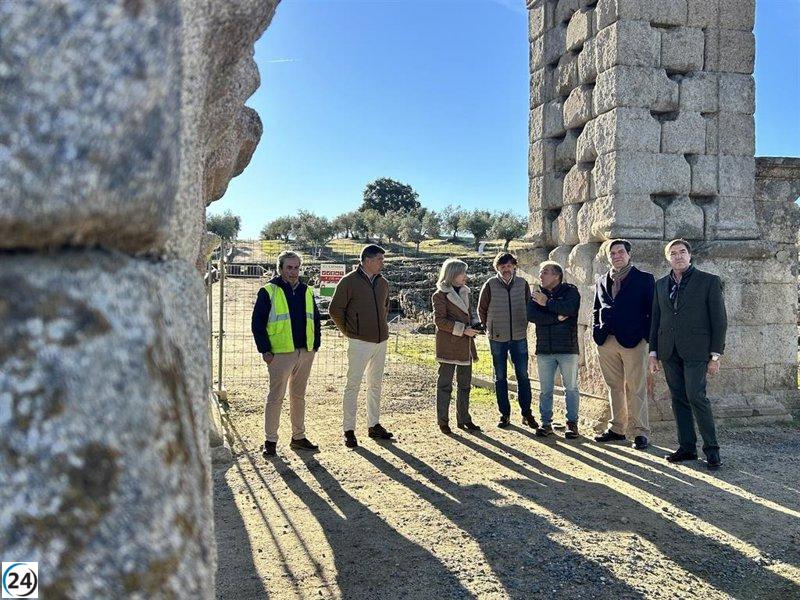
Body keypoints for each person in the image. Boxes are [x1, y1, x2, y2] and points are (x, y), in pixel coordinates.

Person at [649, 239, 727, 470]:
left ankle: (712, 450)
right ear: (668, 258)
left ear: (690, 255)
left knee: (696, 396)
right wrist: (653, 353)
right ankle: (687, 448)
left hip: (697, 350)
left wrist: (715, 356)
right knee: (678, 398)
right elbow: (656, 320)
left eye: (682, 252)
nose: (678, 256)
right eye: (673, 253)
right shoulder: (660, 284)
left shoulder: (709, 281)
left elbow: (719, 321)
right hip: (668, 350)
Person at [251, 251, 321, 457]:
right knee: (276, 397)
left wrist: (315, 345)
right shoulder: (268, 291)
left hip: (305, 352)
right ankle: (270, 440)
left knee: (298, 396)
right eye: (289, 267)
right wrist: (265, 350)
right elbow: (257, 324)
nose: (293, 271)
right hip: (280, 354)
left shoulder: (307, 291)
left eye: (297, 267)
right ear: (280, 268)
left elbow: (315, 320)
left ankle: (298, 437)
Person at [592, 239, 656, 450]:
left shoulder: (645, 279)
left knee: (636, 387)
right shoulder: (602, 280)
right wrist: (596, 330)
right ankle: (617, 429)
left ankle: (640, 433)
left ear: (629, 255)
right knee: (614, 387)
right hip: (606, 340)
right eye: (613, 253)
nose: (616, 256)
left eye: (620, 252)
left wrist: (646, 338)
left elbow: (653, 312)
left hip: (634, 341)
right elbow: (596, 308)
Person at [329, 244, 393, 448]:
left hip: (381, 341)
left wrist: (380, 327)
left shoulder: (383, 282)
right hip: (359, 342)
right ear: (367, 260)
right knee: (353, 385)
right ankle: (349, 429)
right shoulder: (348, 282)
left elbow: (385, 307)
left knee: (375, 384)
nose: (382, 263)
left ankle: (373, 425)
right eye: (379, 259)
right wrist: (350, 332)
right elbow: (335, 309)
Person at [478, 252, 538, 429]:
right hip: (497, 337)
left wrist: (525, 324)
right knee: (500, 376)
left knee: (523, 376)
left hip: (519, 335)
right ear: (497, 268)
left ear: (514, 267)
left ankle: (526, 413)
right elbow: (482, 308)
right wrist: (488, 327)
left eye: (509, 266)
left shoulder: (523, 284)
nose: (506, 269)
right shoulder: (490, 284)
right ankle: (504, 414)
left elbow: (529, 305)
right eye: (502, 266)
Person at [527, 261, 582, 439]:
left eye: (544, 272)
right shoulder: (536, 294)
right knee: (545, 390)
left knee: (571, 388)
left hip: (567, 348)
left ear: (556, 276)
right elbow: (533, 316)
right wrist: (557, 318)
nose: (540, 276)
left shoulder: (570, 291)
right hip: (545, 349)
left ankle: (572, 424)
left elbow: (571, 309)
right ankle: (546, 423)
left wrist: (547, 303)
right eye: (541, 272)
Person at [432, 259, 482, 434]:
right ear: (453, 274)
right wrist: (463, 330)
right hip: (449, 344)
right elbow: (440, 321)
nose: (465, 277)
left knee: (465, 385)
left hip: (466, 345)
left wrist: (476, 324)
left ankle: (464, 419)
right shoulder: (439, 295)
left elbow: (471, 313)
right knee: (445, 385)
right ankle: (443, 421)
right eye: (463, 273)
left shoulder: (466, 292)